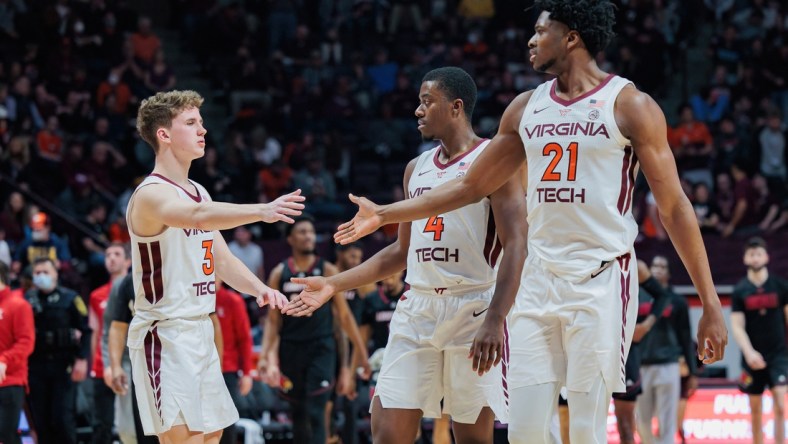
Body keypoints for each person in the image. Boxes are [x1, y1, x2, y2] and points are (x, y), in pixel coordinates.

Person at [287, 2, 729, 442]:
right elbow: (467, 186)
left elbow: (674, 208)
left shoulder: (630, 105)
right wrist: (385, 213)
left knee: (586, 425)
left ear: (571, 37)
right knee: (526, 431)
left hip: (601, 277)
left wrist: (709, 301)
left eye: (541, 31)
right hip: (537, 280)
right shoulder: (523, 109)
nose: (531, 41)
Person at [284, 66, 527, 444]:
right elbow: (401, 252)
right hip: (418, 308)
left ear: (456, 107)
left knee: (472, 438)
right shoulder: (416, 168)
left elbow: (517, 244)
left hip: (474, 307)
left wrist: (496, 318)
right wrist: (333, 284)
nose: (417, 110)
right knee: (388, 435)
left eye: (427, 102)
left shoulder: (494, 162)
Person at [124, 90, 302, 443]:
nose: (203, 130)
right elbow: (196, 217)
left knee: (212, 436)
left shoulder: (199, 191)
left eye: (202, 123)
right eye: (191, 123)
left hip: (202, 331)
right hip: (166, 333)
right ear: (164, 134)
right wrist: (262, 210)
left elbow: (222, 259)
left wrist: (262, 289)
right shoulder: (150, 194)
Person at [258, 215, 371, 444]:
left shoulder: (327, 270)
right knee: (298, 414)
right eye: (302, 232)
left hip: (321, 349)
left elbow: (345, 318)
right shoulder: (279, 273)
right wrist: (266, 356)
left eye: (311, 232)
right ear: (290, 239)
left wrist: (361, 358)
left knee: (317, 412)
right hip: (290, 350)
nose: (309, 236)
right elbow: (272, 321)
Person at [25, 257, 89, 444]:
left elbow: (86, 331)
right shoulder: (27, 300)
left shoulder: (70, 298)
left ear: (55, 274)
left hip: (64, 365)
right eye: (37, 273)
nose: (41, 276)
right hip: (36, 367)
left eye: (46, 272)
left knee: (62, 418)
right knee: (41, 422)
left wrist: (82, 359)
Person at [731, 237, 788, 444]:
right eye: (751, 254)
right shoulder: (740, 290)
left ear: (766, 257)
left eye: (758, 254)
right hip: (752, 356)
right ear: (745, 258)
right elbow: (737, 326)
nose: (755, 258)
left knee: (780, 405)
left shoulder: (780, 286)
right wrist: (749, 352)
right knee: (755, 410)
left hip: (778, 355)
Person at [637, 256, 695, 444]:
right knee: (642, 422)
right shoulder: (636, 296)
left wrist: (693, 371)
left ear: (669, 273)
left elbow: (686, 338)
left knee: (667, 422)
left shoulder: (677, 301)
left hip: (669, 364)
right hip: (641, 365)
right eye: (654, 265)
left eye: (663, 266)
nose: (658, 269)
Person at [105, 274, 162, 444]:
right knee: (144, 429)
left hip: (177, 362)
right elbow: (117, 326)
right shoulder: (130, 281)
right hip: (142, 365)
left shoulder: (180, 270)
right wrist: (115, 366)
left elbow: (211, 320)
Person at [88, 243, 130, 444]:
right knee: (101, 423)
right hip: (102, 366)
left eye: (117, 254)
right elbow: (96, 333)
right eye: (108, 255)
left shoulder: (136, 288)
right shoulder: (96, 295)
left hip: (129, 364)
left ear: (128, 261)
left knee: (130, 425)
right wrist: (98, 366)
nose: (111, 258)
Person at [214, 277, 255, 444]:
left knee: (226, 423)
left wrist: (247, 373)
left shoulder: (233, 301)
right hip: (198, 371)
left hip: (226, 371)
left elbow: (245, 339)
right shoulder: (193, 300)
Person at [0, 261, 35, 444]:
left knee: (6, 434)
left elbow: (26, 342)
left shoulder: (18, 305)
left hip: (11, 381)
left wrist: (4, 360)